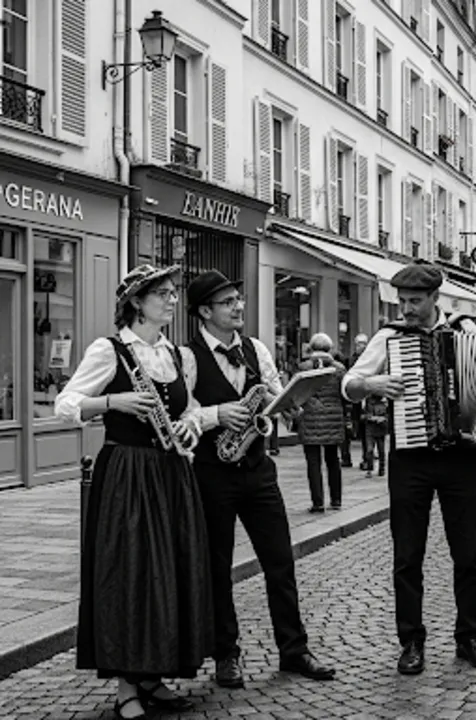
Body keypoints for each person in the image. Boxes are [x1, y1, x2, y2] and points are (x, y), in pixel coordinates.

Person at [342, 261, 476, 676]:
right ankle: (411, 641)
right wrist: (372, 385)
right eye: (402, 301)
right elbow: (349, 384)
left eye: (414, 301)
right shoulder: (391, 337)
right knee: (408, 555)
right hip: (409, 459)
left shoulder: (466, 331)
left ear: (434, 299)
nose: (406, 309)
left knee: (468, 553)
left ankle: (470, 636)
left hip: (460, 458)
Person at [55, 264, 212, 719]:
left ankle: (154, 677)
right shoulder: (110, 350)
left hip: (171, 475)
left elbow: (193, 408)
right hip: (127, 475)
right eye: (161, 294)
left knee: (170, 572)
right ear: (136, 303)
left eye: (171, 293)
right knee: (131, 575)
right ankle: (127, 687)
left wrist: (190, 426)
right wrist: (111, 402)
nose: (171, 300)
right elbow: (66, 403)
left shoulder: (178, 355)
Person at [180, 270, 335, 689]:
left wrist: (285, 404)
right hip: (212, 473)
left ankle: (294, 650)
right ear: (204, 311)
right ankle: (225, 654)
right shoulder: (187, 357)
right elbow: (181, 416)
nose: (238, 307)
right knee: (217, 568)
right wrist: (216, 415)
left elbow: (272, 389)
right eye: (228, 302)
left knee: (280, 562)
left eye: (238, 300)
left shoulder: (256, 348)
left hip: (257, 469)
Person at [298, 333, 346, 513]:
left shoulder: (304, 367)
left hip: (310, 419)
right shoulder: (339, 369)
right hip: (333, 420)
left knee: (313, 463)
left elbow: (298, 394)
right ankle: (336, 500)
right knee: (333, 460)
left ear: (311, 348)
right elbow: (345, 394)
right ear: (330, 348)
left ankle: (317, 502)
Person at [342, 334, 370, 469]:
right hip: (353, 402)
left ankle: (367, 458)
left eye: (364, 343)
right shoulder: (350, 360)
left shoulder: (371, 359)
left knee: (367, 432)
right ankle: (346, 458)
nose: (362, 346)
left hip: (367, 401)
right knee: (350, 429)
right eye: (359, 343)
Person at [363, 393, 389, 477]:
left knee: (381, 450)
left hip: (380, 428)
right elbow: (364, 414)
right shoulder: (368, 400)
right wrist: (370, 417)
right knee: (370, 450)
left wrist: (384, 419)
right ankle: (370, 469)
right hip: (370, 428)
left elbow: (389, 414)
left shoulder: (385, 400)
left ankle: (381, 468)